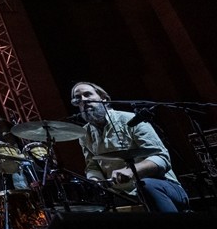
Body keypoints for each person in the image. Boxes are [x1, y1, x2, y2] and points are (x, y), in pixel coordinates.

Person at [71, 81, 188, 213]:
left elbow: (161, 158)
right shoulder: (84, 134)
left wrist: (131, 171)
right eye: (78, 98)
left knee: (145, 186)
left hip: (161, 187)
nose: (83, 100)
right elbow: (92, 166)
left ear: (104, 99)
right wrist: (94, 180)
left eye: (88, 94)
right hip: (121, 194)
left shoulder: (131, 119)